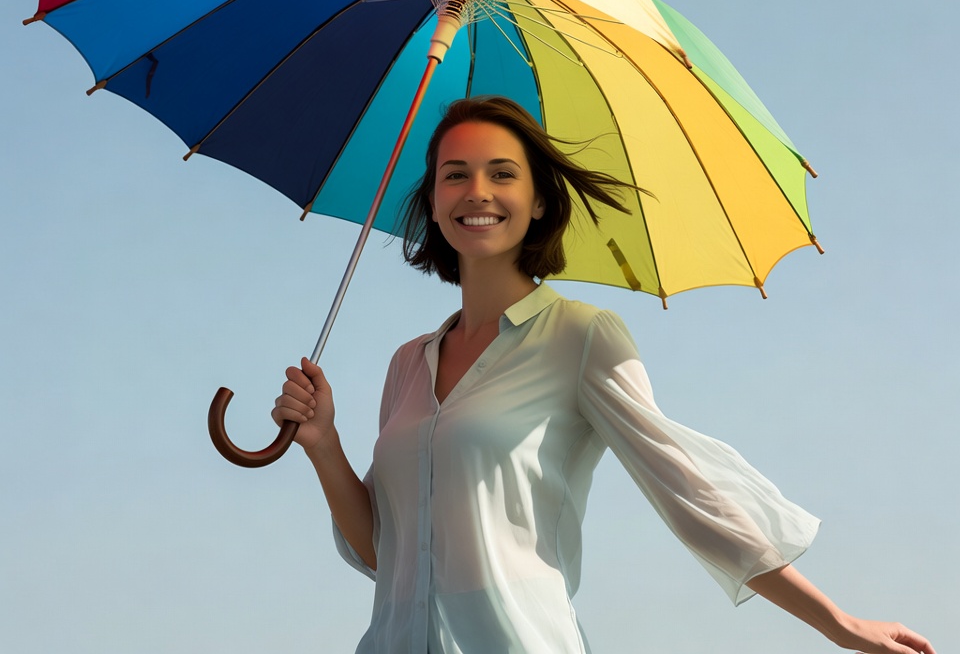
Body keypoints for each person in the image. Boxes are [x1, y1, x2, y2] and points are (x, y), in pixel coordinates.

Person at [273, 96, 934, 654]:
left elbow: (688, 491)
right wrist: (324, 444)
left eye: (503, 174)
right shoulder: (405, 362)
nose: (477, 192)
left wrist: (840, 625)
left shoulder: (581, 337)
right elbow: (385, 555)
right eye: (455, 175)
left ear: (536, 203)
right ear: (434, 201)